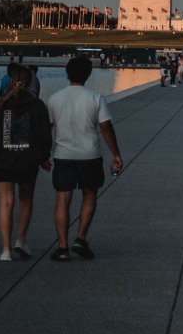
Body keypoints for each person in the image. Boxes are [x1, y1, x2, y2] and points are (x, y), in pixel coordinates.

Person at [45, 53, 124, 261]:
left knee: (63, 198)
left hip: (63, 155)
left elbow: (47, 129)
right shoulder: (96, 98)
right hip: (89, 155)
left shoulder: (55, 98)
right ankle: (80, 239)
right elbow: (106, 128)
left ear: (67, 74)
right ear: (88, 74)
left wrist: (44, 155)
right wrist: (116, 154)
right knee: (90, 194)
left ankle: (62, 248)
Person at [0, 66, 51, 261]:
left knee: (6, 202)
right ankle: (21, 240)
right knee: (26, 199)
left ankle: (6, 249)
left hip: (2, 160)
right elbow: (44, 135)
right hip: (27, 160)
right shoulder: (37, 105)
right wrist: (44, 158)